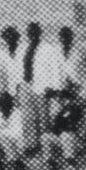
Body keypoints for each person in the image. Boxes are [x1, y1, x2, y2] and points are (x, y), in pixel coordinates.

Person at [25, 22, 64, 155]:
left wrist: (55, 88)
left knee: (44, 119)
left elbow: (55, 69)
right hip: (28, 87)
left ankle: (48, 149)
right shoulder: (26, 48)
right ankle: (34, 145)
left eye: (34, 32)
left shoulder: (48, 48)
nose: (32, 35)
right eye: (30, 32)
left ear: (39, 33)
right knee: (30, 118)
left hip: (43, 88)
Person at [43, 83, 86, 170]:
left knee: (65, 136)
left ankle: (70, 164)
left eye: (65, 98)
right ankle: (51, 163)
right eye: (62, 98)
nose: (63, 100)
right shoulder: (62, 111)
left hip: (77, 139)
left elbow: (79, 126)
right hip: (64, 138)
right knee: (46, 137)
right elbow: (55, 128)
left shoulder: (77, 109)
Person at [0, 92, 27, 170]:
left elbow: (17, 132)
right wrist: (2, 131)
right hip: (4, 140)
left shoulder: (17, 113)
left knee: (2, 137)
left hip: (17, 143)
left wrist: (3, 131)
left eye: (5, 104)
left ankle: (14, 162)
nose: (3, 107)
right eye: (2, 104)